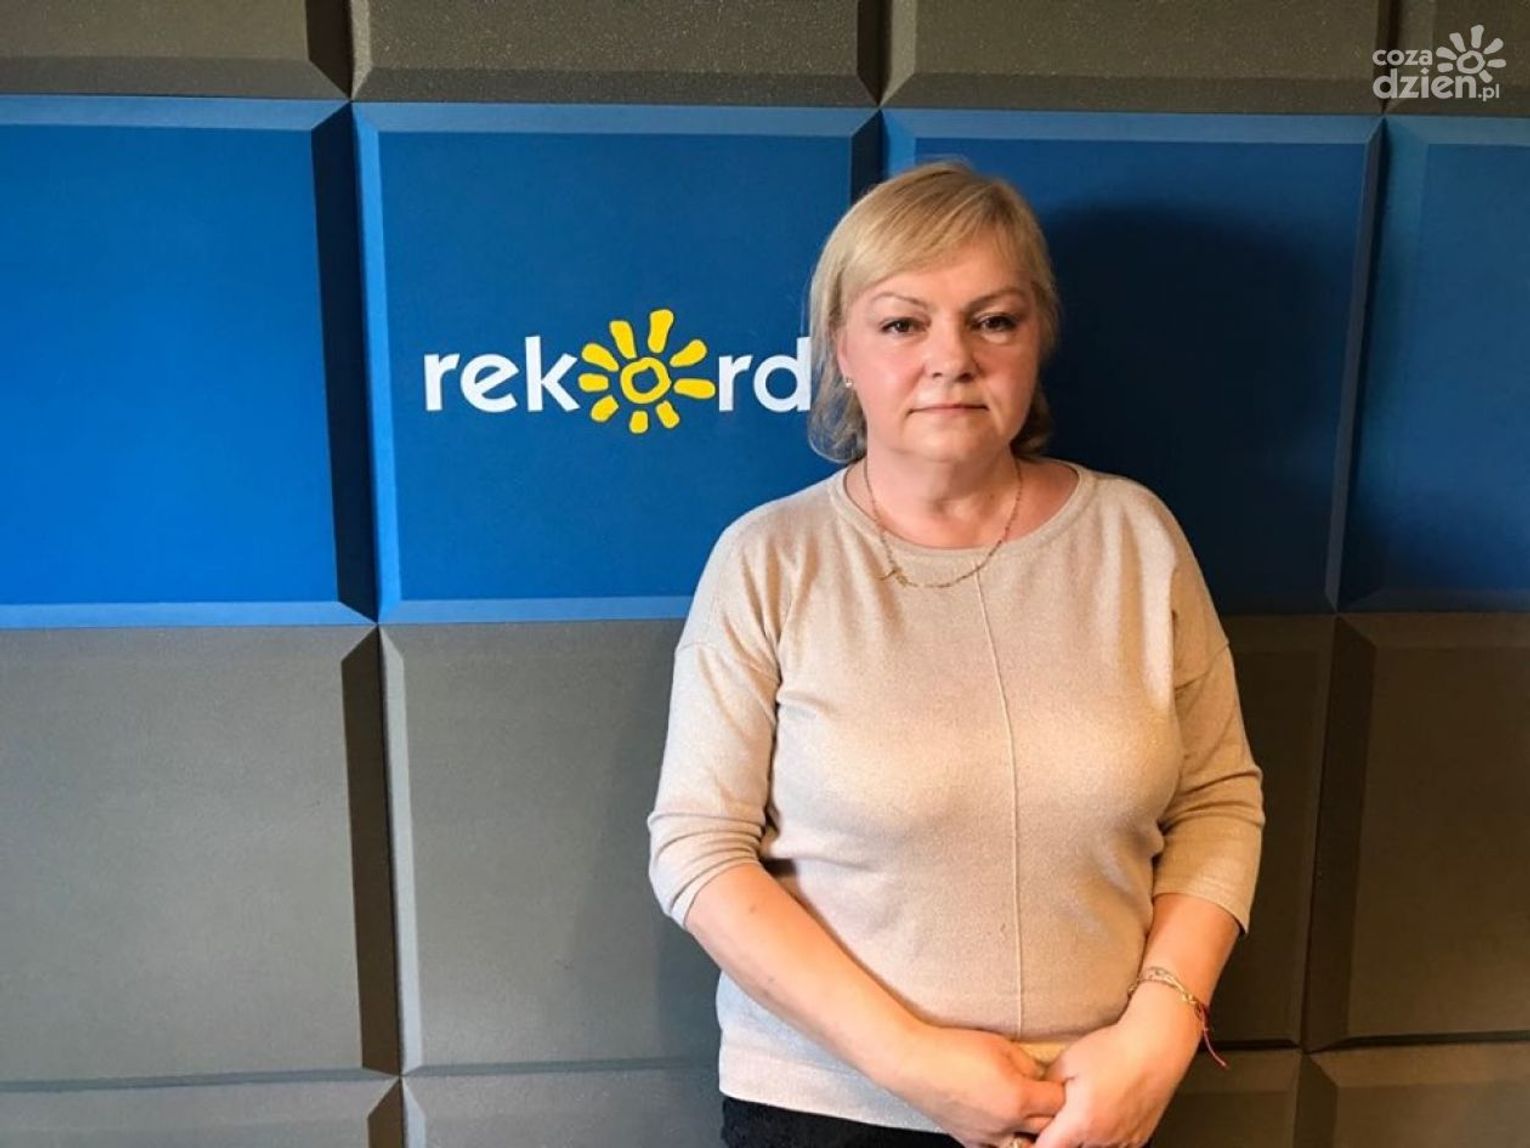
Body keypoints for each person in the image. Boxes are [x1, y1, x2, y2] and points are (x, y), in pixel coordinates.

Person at [646, 160, 1265, 1148]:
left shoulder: (1137, 536)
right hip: (830, 1111)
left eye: (994, 320)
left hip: (1098, 1107)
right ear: (842, 350)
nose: (953, 358)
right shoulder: (770, 558)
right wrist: (909, 1061)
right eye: (903, 323)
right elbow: (697, 849)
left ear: (1037, 338)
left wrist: (1161, 1030)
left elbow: (1218, 801)